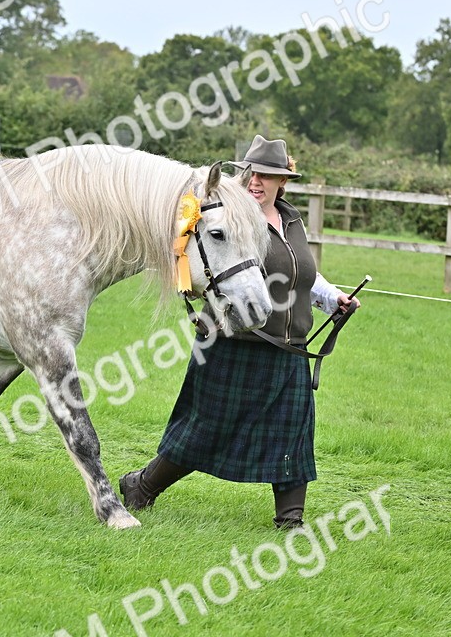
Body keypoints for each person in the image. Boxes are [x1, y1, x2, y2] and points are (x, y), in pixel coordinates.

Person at [119, 135, 360, 529]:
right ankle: (142, 487)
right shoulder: (232, 217)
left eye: (267, 175)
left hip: (289, 346)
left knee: (293, 433)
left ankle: (290, 519)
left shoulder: (291, 219)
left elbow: (301, 272)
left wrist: (333, 298)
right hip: (235, 342)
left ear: (284, 181)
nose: (256, 181)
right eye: (252, 172)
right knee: (204, 429)